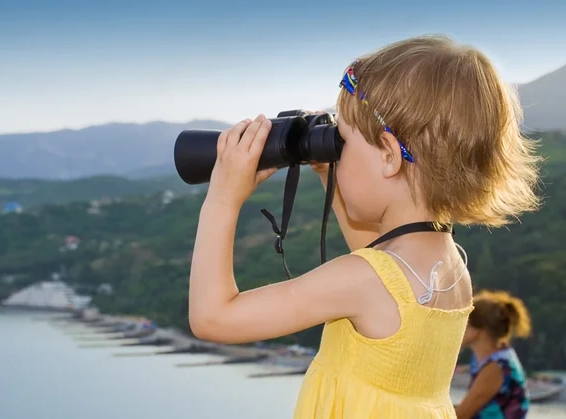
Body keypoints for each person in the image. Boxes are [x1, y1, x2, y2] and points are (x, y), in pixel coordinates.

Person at [187, 34, 541, 418]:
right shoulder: (450, 264)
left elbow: (212, 318)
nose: (336, 153)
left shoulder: (363, 279)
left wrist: (223, 197)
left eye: (342, 142)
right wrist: (328, 173)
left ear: (390, 156)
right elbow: (379, 260)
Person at [455, 290, 532, 419]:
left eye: (463, 322)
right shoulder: (499, 358)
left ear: (478, 330)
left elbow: (461, 415)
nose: (456, 328)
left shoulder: (496, 368)